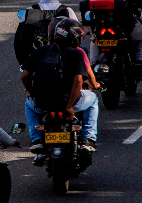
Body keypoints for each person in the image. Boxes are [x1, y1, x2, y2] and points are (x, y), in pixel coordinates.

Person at [22, 18, 97, 156]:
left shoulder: (40, 51)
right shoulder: (76, 53)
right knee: (93, 99)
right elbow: (78, 81)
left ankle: (37, 138)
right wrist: (68, 107)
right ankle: (88, 139)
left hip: (42, 103)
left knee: (28, 104)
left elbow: (24, 76)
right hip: (68, 103)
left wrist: (31, 91)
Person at [14, 0, 80, 66]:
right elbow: (77, 38)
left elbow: (19, 42)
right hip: (63, 61)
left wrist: (24, 63)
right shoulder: (67, 11)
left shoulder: (30, 11)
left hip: (35, 62)